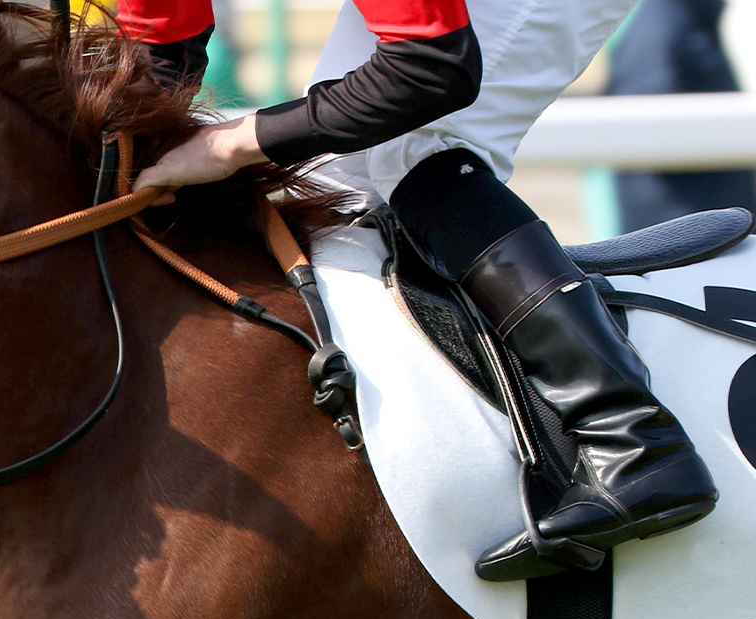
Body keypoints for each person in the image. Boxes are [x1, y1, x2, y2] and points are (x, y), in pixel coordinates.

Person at [125, 0, 719, 581]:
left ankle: (633, 439)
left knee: (409, 145)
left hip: (443, 47)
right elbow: (160, 50)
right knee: (337, 172)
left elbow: (433, 70)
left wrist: (231, 143)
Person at [604, 0, 756, 232]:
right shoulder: (666, 16)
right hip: (678, 227)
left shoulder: (690, 14)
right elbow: (645, 117)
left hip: (702, 223)